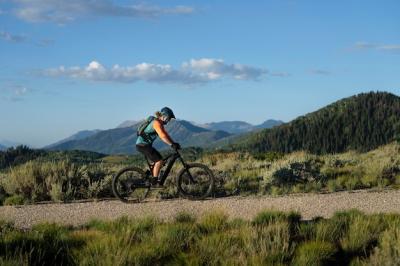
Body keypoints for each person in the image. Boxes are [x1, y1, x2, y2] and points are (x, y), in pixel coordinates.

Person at [136, 107, 181, 183]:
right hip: (143, 145)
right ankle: (154, 181)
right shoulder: (156, 123)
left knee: (160, 161)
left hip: (145, 145)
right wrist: (171, 145)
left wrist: (173, 143)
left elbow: (166, 135)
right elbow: (162, 136)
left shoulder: (159, 123)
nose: (169, 120)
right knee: (159, 161)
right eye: (169, 118)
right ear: (164, 116)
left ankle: (151, 175)